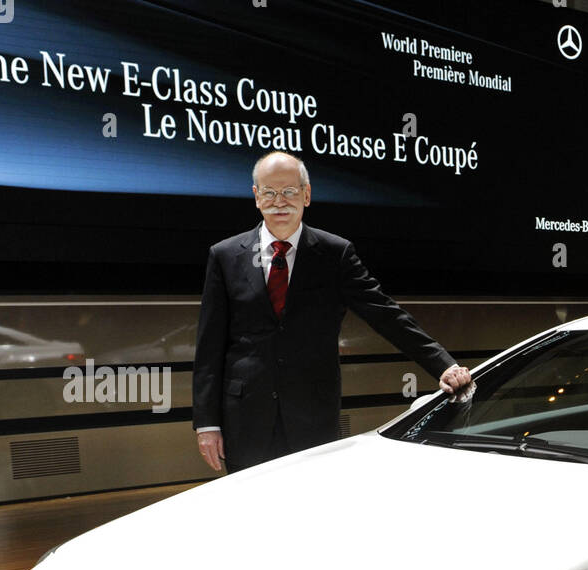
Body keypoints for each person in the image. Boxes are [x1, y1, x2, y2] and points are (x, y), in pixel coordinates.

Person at [193, 152, 470, 472]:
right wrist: (207, 424)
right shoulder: (225, 255)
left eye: (289, 191)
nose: (278, 201)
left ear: (306, 195)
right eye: (269, 192)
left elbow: (385, 314)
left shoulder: (335, 254)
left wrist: (443, 365)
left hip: (312, 418)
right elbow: (210, 347)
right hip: (243, 419)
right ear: (256, 197)